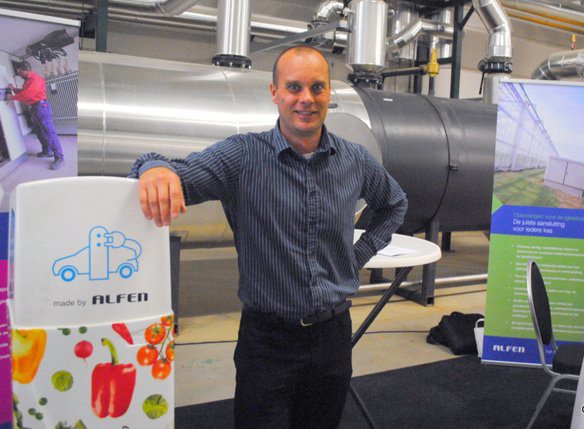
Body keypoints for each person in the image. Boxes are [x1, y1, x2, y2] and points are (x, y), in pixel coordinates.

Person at [130, 45, 408, 428]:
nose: (306, 98)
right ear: (274, 92)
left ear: (329, 93)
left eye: (317, 87)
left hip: (332, 336)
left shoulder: (354, 159)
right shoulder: (243, 156)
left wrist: (356, 257)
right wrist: (154, 169)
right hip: (267, 343)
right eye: (294, 87)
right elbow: (176, 174)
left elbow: (394, 203)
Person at [8, 61, 64, 170]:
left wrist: (12, 97)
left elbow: (27, 95)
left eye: (21, 73)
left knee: (49, 132)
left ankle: (60, 157)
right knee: (39, 131)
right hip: (34, 107)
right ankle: (47, 151)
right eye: (19, 73)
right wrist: (14, 89)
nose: (19, 75)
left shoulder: (35, 79)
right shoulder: (27, 81)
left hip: (41, 107)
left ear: (27, 70)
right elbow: (24, 91)